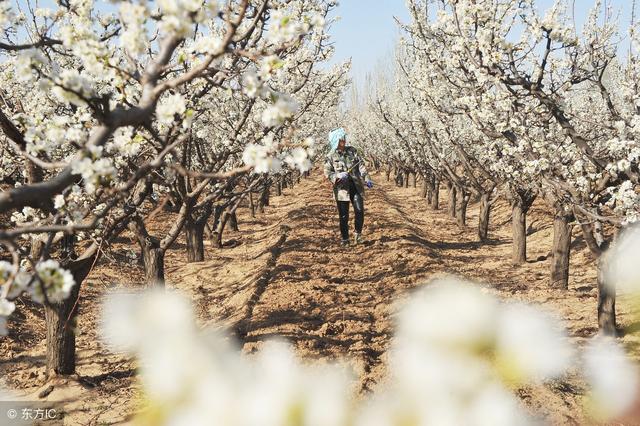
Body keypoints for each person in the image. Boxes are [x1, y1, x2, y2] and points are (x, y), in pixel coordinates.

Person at [323, 128, 373, 246]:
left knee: (359, 210)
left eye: (344, 139)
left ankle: (358, 235)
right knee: (344, 215)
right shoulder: (330, 156)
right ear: (336, 141)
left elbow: (361, 166)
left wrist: (367, 178)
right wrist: (337, 176)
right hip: (341, 190)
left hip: (356, 186)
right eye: (341, 140)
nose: (343, 141)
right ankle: (345, 239)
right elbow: (327, 173)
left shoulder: (352, 150)